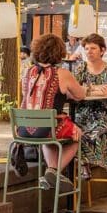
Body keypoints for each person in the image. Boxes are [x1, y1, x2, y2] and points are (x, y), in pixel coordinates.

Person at [17, 34, 91, 188]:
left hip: (23, 130)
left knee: (49, 133)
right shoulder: (62, 74)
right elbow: (80, 95)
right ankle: (53, 171)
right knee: (77, 135)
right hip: (47, 128)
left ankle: (51, 174)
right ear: (59, 53)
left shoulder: (27, 72)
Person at [70, 34, 107, 178]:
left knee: (92, 133)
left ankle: (85, 164)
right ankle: (83, 165)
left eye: (93, 48)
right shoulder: (81, 68)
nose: (89, 51)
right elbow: (74, 89)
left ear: (102, 50)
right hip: (84, 114)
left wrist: (86, 88)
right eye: (86, 48)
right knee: (72, 132)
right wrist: (95, 88)